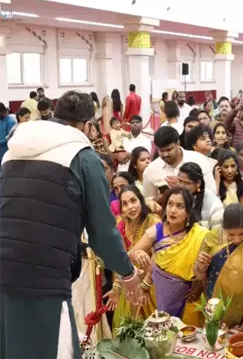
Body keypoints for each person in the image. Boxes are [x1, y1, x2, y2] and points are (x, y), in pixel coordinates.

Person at [0, 90, 142, 358]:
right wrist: (128, 273)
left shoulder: (11, 154)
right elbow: (102, 232)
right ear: (88, 125)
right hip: (45, 277)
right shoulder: (83, 157)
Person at [128, 187, 208, 326]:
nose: (172, 210)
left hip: (189, 298)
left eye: (179, 206)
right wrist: (138, 253)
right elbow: (129, 255)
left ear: (188, 212)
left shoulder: (199, 235)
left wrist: (199, 285)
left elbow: (206, 269)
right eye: (170, 204)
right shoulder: (156, 231)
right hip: (159, 297)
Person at [105, 185, 160, 331]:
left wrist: (144, 255)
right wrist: (116, 287)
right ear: (121, 208)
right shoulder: (121, 226)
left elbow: (159, 255)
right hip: (129, 282)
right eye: (125, 204)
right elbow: (120, 260)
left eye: (133, 201)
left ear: (141, 201)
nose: (130, 207)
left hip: (151, 282)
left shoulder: (153, 221)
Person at [142, 126, 216, 199]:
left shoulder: (199, 160)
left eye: (169, 150)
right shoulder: (151, 170)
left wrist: (184, 186)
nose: (165, 154)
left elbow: (212, 193)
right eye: (161, 151)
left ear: (178, 143)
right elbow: (148, 200)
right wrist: (164, 197)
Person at [178, 162, 224, 230]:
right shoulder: (175, 197)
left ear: (198, 183)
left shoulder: (214, 205)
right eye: (180, 181)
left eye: (186, 183)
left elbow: (216, 237)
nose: (181, 187)